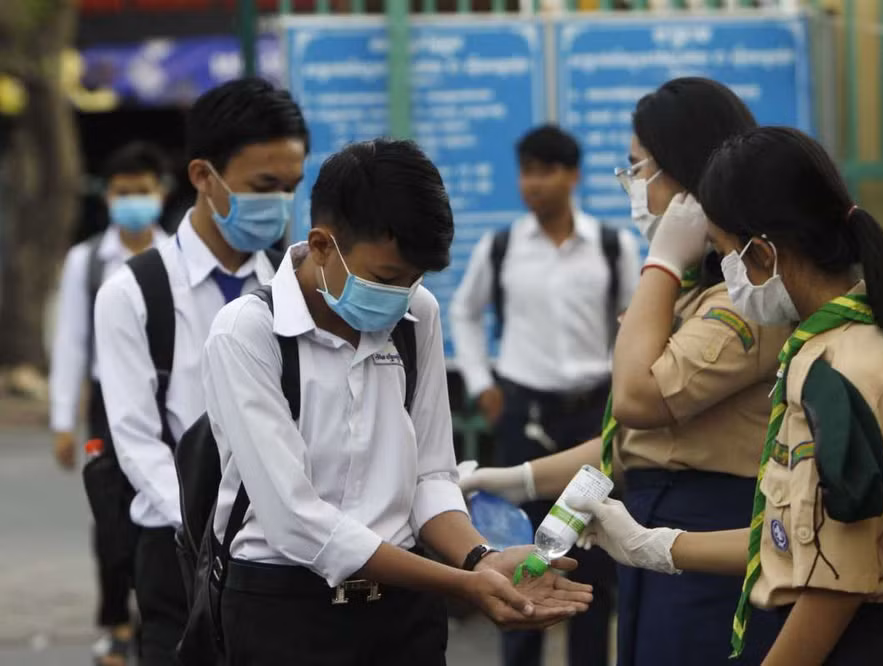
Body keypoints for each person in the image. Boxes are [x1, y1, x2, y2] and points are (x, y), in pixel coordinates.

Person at [578, 126, 883, 666]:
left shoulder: (838, 374)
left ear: (762, 251)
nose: (727, 274)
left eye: (723, 252)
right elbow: (795, 541)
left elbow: (834, 585)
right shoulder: (855, 342)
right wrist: (656, 545)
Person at [201, 139, 593, 666]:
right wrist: (460, 582)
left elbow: (431, 477)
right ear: (321, 245)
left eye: (414, 280)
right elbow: (296, 520)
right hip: (284, 608)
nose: (401, 295)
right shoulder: (249, 332)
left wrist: (483, 559)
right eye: (386, 278)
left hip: (404, 616)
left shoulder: (417, 316)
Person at [459, 78, 789, 666]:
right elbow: (631, 440)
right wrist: (512, 478)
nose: (633, 186)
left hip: (709, 528)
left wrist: (661, 260)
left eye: (638, 168)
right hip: (651, 512)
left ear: (684, 179)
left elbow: (635, 400)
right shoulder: (696, 290)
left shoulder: (745, 300)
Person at [93, 77, 309, 666]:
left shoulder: (293, 289)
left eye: (291, 187)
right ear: (202, 177)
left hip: (283, 556)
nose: (280, 205)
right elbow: (136, 441)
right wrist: (207, 530)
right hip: (176, 550)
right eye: (264, 186)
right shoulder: (134, 293)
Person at [450, 124, 638, 666]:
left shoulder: (610, 245)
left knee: (592, 558)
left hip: (591, 419)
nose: (534, 183)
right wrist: (483, 382)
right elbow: (464, 310)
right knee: (522, 553)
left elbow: (634, 324)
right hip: (522, 414)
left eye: (547, 170)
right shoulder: (502, 246)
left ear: (573, 175)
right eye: (527, 171)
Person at [49, 141, 170, 666]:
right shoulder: (88, 261)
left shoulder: (175, 255)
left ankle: (161, 617)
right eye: (123, 192)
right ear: (108, 196)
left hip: (167, 400)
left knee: (167, 514)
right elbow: (72, 340)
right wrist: (61, 422)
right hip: (106, 404)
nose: (133, 201)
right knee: (112, 519)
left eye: (142, 191)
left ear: (161, 194)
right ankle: (117, 622)